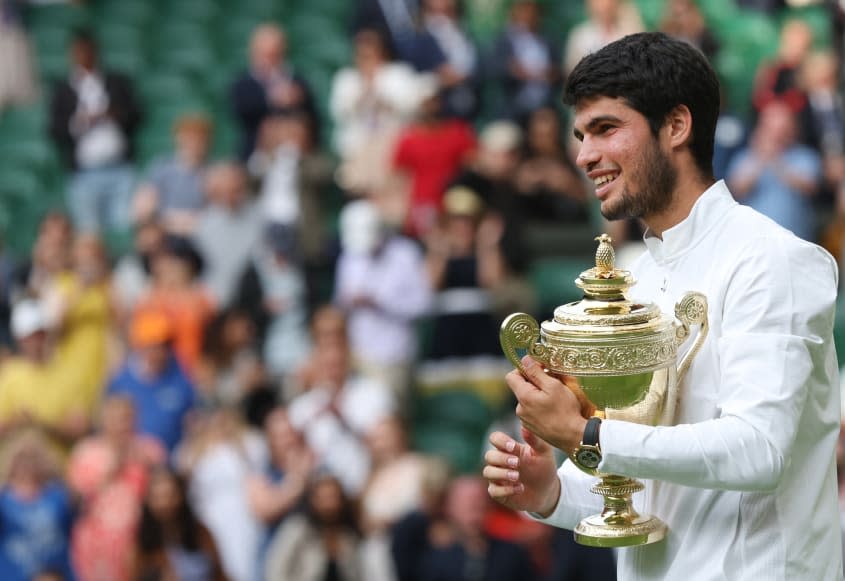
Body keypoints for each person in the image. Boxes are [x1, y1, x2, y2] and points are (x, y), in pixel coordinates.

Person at [482, 32, 842, 580]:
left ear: (676, 126)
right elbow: (637, 486)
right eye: (580, 135)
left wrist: (588, 437)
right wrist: (551, 490)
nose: (584, 155)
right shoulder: (638, 277)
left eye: (605, 128)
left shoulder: (773, 260)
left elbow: (759, 450)